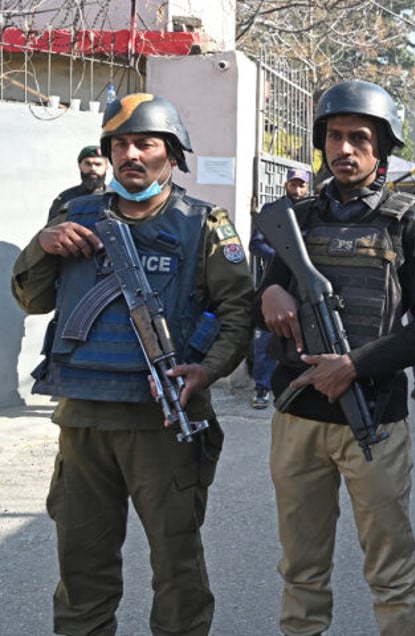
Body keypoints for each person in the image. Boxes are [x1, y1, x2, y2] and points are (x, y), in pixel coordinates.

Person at [11, 93, 253, 634]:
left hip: (162, 422)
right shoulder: (74, 218)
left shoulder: (203, 225)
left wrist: (207, 371)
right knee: (82, 571)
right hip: (83, 421)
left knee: (177, 568)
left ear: (173, 153)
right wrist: (43, 245)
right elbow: (31, 299)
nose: (131, 154)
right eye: (120, 143)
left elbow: (238, 311)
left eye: (145, 142)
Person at [256, 79, 415, 635]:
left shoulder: (413, 221)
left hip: (374, 418)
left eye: (359, 138)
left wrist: (355, 365)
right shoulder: (298, 219)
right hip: (298, 417)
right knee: (301, 569)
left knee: (390, 571)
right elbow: (264, 300)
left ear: (383, 147)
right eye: (334, 137)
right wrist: (268, 293)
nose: (344, 150)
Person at [249, 167, 310, 409]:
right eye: (293, 184)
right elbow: (256, 243)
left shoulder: (312, 212)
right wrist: (283, 257)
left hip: (303, 287)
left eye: (301, 185)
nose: (297, 189)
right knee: (266, 339)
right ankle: (262, 388)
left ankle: (297, 387)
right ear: (286, 185)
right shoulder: (273, 211)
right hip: (275, 286)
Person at [47, 145, 109, 222]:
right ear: (80, 166)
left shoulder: (117, 197)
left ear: (106, 167)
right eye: (88, 164)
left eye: (98, 164)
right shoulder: (65, 198)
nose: (93, 168)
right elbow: (51, 231)